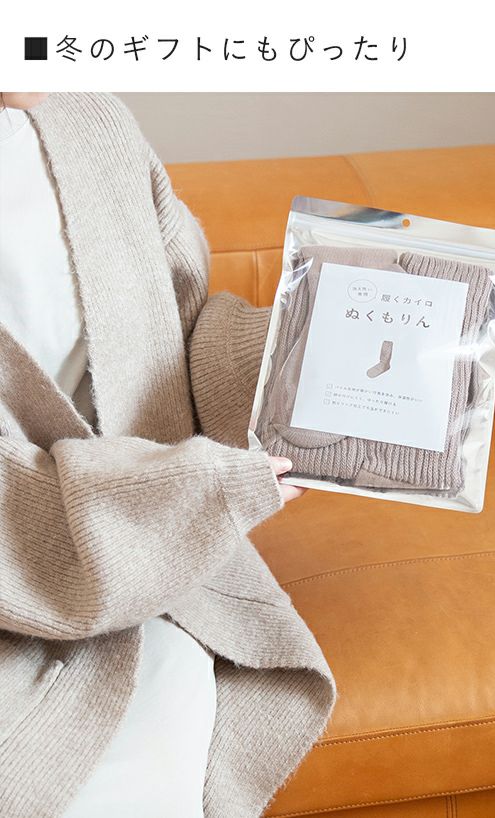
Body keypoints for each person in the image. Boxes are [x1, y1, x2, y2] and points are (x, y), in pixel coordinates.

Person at [0, 92, 336, 818]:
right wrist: (198, 494)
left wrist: (295, 373)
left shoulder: (89, 122)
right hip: (31, 605)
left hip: (155, 579)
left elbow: (173, 340)